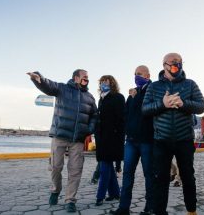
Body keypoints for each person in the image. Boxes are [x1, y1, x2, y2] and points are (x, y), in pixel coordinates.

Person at [142, 53, 204, 215]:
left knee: (188, 177)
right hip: (161, 140)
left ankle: (191, 211)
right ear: (164, 65)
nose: (176, 65)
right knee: (161, 179)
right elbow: (145, 109)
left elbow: (201, 106)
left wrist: (183, 103)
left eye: (179, 62)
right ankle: (160, 212)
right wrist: (162, 104)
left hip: (184, 139)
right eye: (172, 62)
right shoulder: (154, 86)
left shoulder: (190, 84)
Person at [27, 69, 98, 213]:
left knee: (75, 170)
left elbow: (95, 116)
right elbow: (48, 85)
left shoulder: (90, 97)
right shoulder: (62, 89)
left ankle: (70, 200)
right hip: (60, 136)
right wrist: (38, 78)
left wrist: (88, 130)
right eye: (85, 77)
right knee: (55, 167)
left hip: (77, 140)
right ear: (76, 78)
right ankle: (55, 190)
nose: (87, 79)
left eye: (88, 77)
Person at [110, 65, 154, 215]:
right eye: (135, 74)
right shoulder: (132, 95)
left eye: (140, 74)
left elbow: (150, 111)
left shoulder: (153, 91)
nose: (137, 76)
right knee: (127, 174)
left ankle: (150, 207)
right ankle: (124, 208)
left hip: (147, 140)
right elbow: (126, 114)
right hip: (131, 141)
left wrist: (137, 97)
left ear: (148, 76)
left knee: (149, 174)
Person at [94, 75, 126, 206]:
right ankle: (115, 194)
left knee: (104, 167)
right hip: (101, 138)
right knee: (108, 167)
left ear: (112, 83)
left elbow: (122, 119)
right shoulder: (101, 99)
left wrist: (120, 137)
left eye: (106, 81)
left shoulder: (118, 97)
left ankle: (100, 196)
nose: (103, 84)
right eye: (101, 82)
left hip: (113, 138)